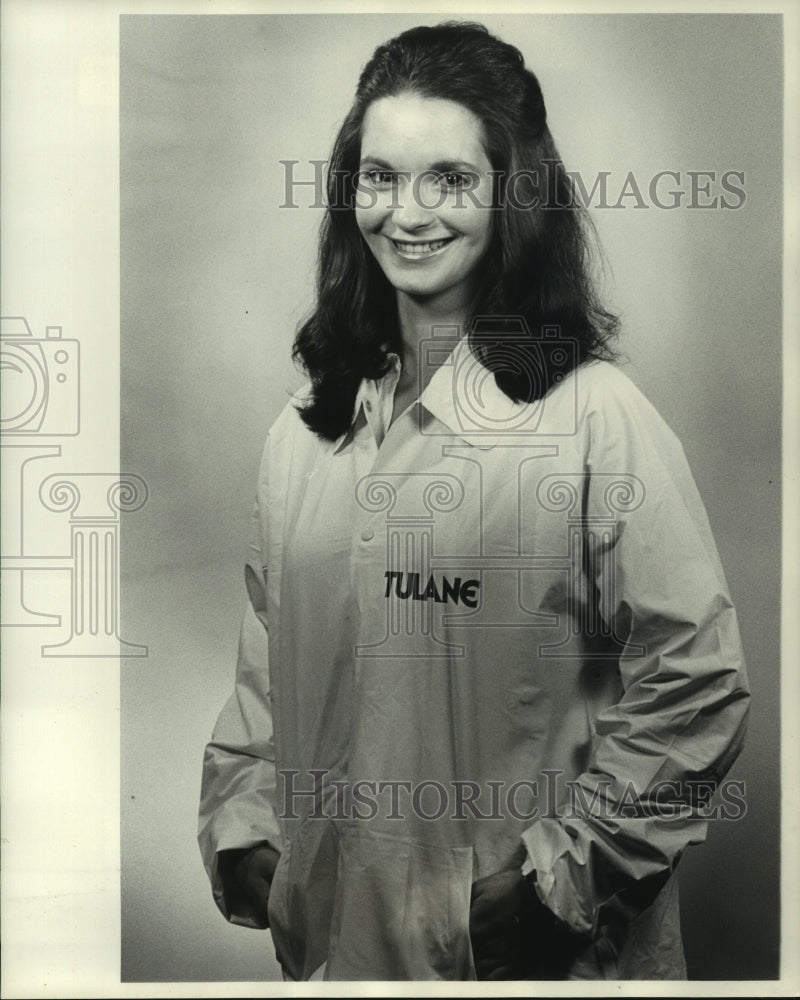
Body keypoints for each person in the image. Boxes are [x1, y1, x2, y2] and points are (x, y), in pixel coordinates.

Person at [198, 21, 750, 981]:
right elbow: (267, 671)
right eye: (379, 177)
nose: (407, 214)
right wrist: (245, 827)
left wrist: (559, 883)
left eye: (449, 178)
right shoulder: (306, 433)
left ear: (514, 197)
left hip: (530, 965)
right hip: (349, 960)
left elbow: (697, 681)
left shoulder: (592, 417)